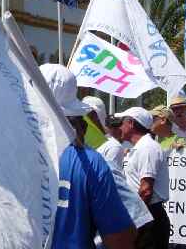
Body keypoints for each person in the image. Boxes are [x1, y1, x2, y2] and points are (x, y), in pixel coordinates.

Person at [42, 64, 136, 249]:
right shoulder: (90, 163)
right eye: (83, 123)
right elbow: (120, 239)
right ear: (76, 122)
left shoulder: (2, 153)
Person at [116, 106, 169, 249]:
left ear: (131, 123)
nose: (119, 126)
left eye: (122, 122)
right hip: (144, 214)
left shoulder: (147, 147)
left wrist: (133, 221)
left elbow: (146, 190)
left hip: (147, 217)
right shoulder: (141, 147)